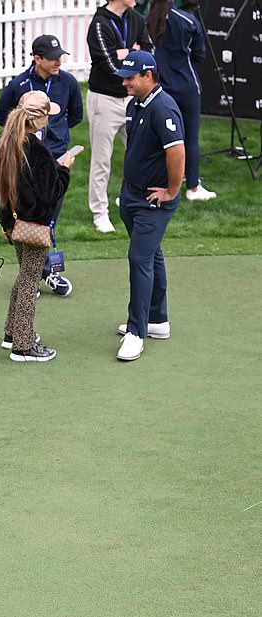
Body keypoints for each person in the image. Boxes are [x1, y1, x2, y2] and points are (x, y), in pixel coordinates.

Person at [0, 34, 83, 297]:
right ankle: (35, 275)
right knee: (30, 218)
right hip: (28, 160)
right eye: (53, 57)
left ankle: (43, 272)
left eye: (60, 56)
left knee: (50, 218)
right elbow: (1, 116)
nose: (59, 61)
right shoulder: (19, 84)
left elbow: (75, 115)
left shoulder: (67, 82)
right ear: (37, 58)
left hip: (55, 157)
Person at [0, 91, 73, 363]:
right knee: (29, 280)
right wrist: (63, 169)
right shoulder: (38, 151)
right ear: (40, 119)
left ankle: (12, 333)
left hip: (14, 223)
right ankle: (23, 346)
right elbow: (51, 193)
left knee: (23, 275)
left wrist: (6, 223)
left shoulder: (2, 143)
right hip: (34, 225)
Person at [114, 51, 185, 361]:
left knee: (139, 257)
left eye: (130, 77)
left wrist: (171, 190)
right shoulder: (135, 105)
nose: (125, 82)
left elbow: (177, 153)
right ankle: (157, 320)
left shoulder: (163, 107)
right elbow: (134, 145)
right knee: (151, 255)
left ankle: (136, 331)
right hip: (132, 195)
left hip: (152, 201)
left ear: (148, 75)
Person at [86, 0, 152, 233]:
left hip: (131, 99)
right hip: (104, 99)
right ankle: (99, 212)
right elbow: (109, 65)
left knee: (136, 153)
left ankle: (128, 199)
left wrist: (127, 54)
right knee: (102, 159)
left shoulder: (135, 17)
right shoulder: (99, 23)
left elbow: (149, 52)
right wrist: (132, 55)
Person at [146, 0, 216, 200]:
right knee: (190, 138)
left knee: (159, 138)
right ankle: (192, 187)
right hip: (187, 87)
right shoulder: (188, 20)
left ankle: (156, 183)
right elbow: (200, 55)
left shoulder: (147, 20)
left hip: (160, 88)